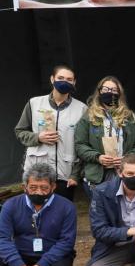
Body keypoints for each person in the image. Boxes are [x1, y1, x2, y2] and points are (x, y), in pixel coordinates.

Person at [0, 164, 77, 266]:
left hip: (53, 253)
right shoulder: (10, 205)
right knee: (2, 262)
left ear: (53, 187)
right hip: (22, 253)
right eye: (33, 187)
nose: (39, 192)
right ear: (25, 187)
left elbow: (67, 241)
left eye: (44, 188)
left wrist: (41, 265)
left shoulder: (67, 207)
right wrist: (17, 265)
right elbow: (2, 238)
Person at [15, 65, 87, 201]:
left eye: (69, 79)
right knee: (35, 212)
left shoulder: (82, 109)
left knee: (60, 213)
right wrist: (37, 137)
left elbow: (83, 144)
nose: (64, 82)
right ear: (52, 79)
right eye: (60, 78)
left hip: (65, 174)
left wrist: (75, 175)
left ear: (74, 82)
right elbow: (20, 131)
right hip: (36, 172)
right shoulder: (34, 103)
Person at [76, 76, 135, 197]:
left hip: (125, 173)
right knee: (100, 212)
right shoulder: (88, 117)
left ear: (120, 94)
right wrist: (98, 157)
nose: (110, 93)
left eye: (114, 90)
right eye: (106, 89)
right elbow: (80, 145)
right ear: (99, 92)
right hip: (97, 175)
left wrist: (127, 158)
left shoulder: (131, 118)